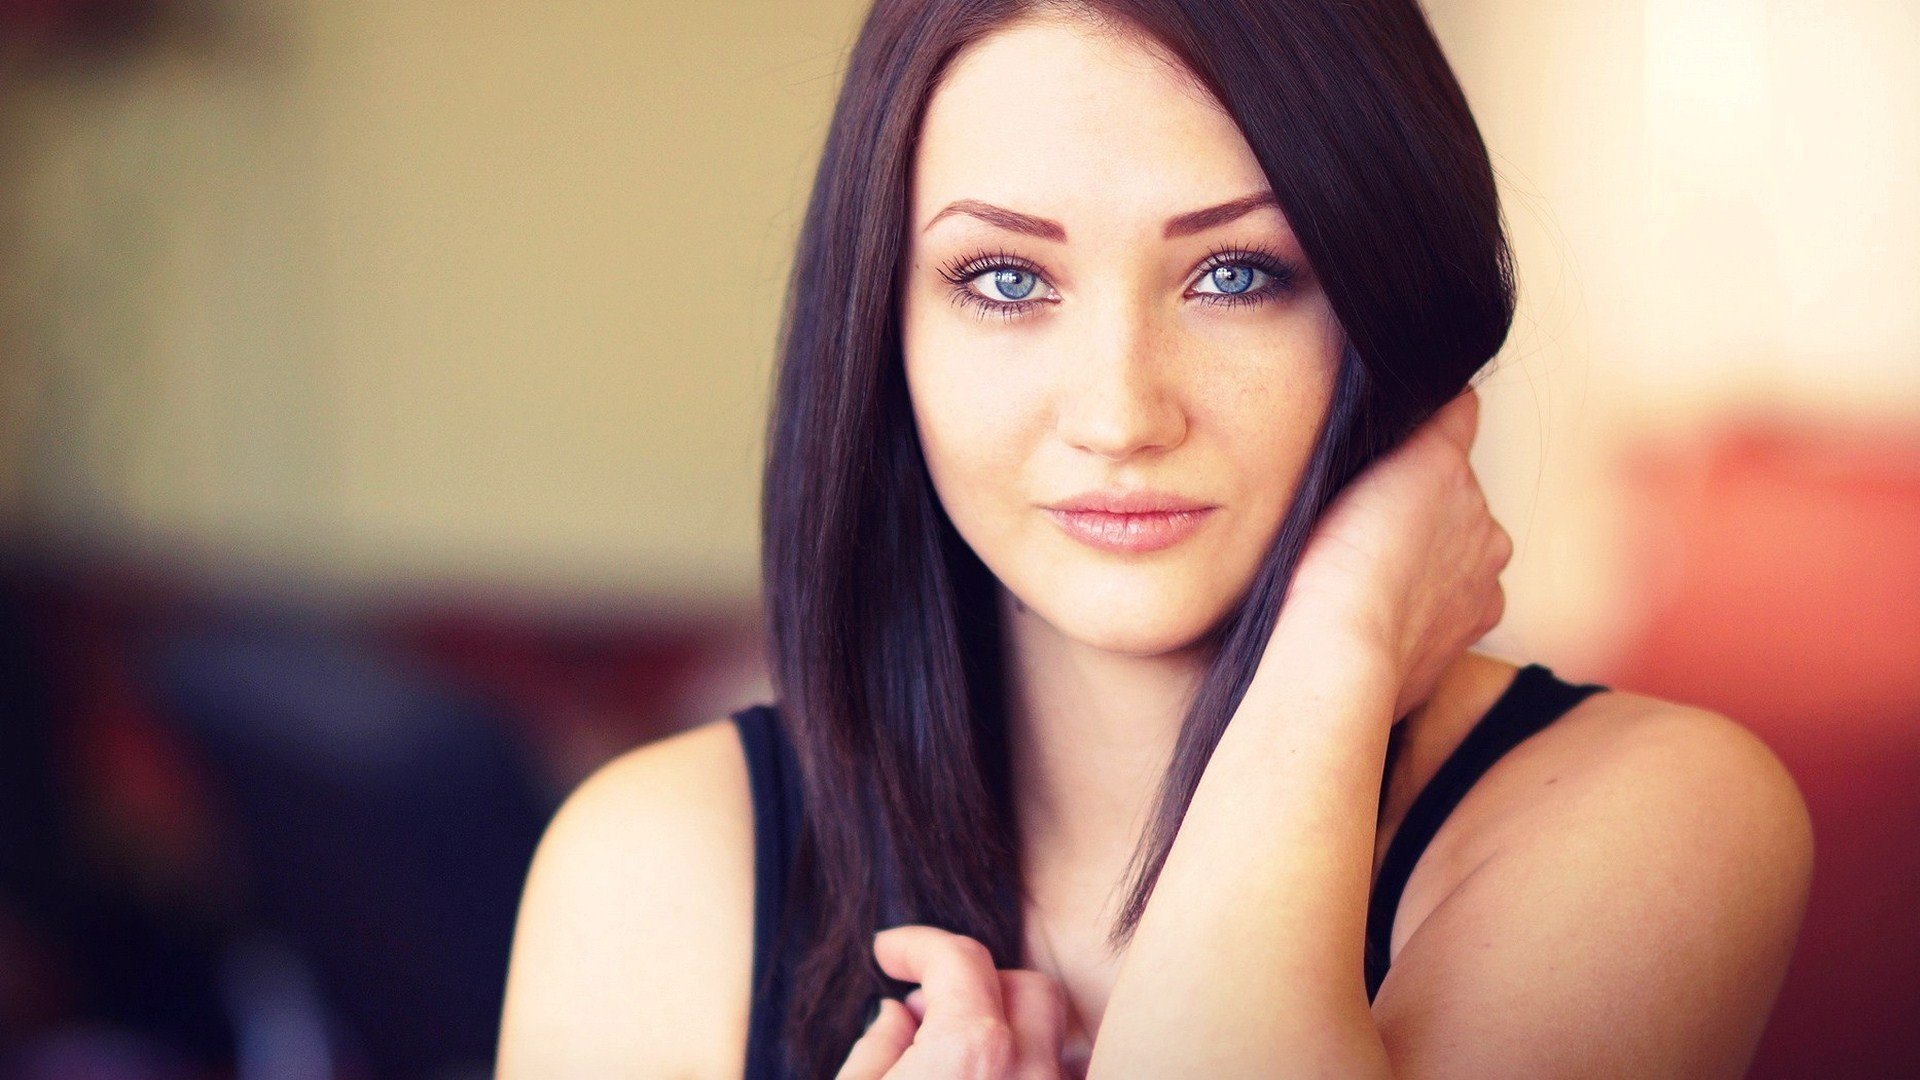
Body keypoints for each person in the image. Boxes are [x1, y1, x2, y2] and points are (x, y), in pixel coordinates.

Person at [495, 1, 1814, 1076]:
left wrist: (1338, 647)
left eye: (1238, 274)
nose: (1121, 413)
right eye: (1006, 279)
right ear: (884, 333)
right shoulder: (655, 870)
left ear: (1380, 305)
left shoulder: (1654, 819)